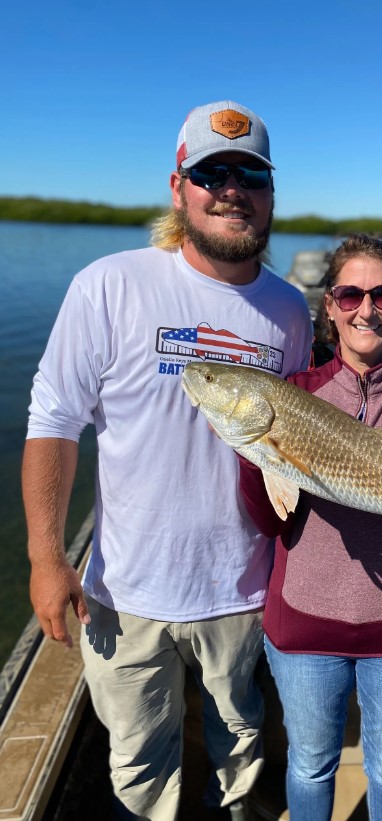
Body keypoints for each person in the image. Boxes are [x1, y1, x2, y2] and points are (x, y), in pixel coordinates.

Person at [22, 100, 313, 821]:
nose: (232, 188)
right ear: (178, 187)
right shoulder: (110, 284)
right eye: (212, 173)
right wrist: (46, 557)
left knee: (241, 748)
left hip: (244, 593)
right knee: (139, 764)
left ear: (271, 193)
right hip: (127, 591)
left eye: (251, 173)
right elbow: (55, 420)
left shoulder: (290, 309)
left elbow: (298, 444)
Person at [239, 233, 382, 820]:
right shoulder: (293, 394)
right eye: (349, 294)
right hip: (304, 626)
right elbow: (268, 519)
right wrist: (256, 451)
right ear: (330, 308)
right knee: (310, 763)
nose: (367, 309)